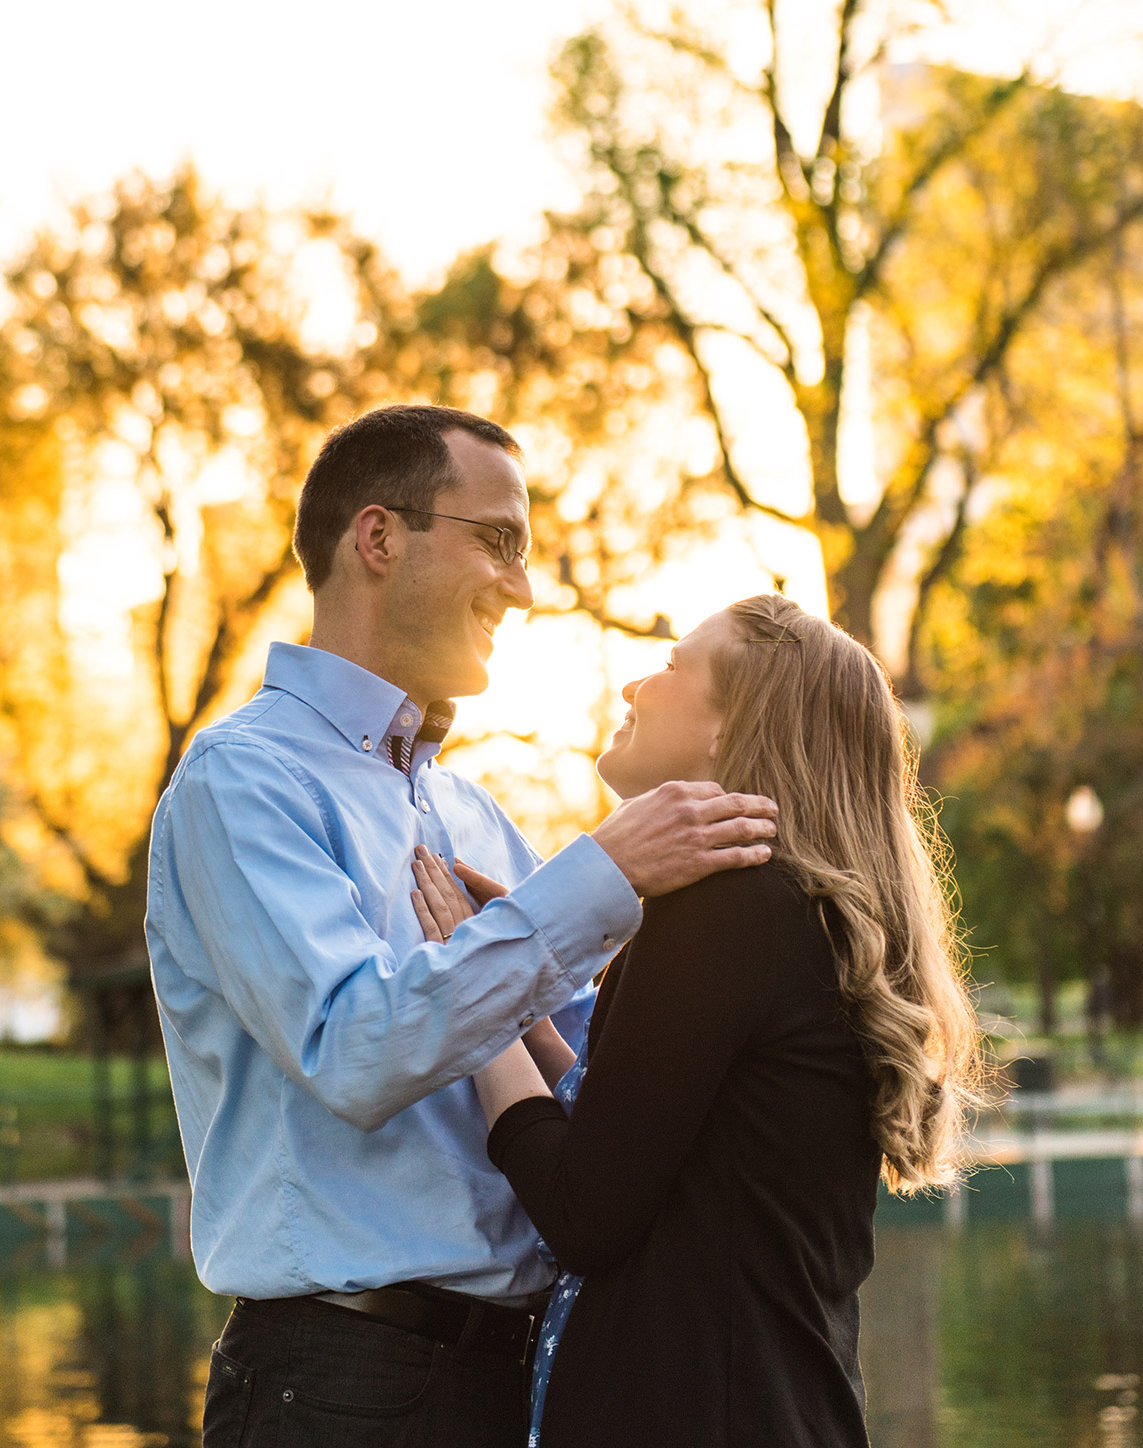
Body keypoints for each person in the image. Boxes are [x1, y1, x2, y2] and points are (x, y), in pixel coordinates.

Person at [145, 405, 778, 1448]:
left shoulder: (471, 810)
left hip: (513, 1376)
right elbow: (351, 1049)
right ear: (379, 536)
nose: (523, 588)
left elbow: (585, 1078)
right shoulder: (242, 779)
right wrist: (601, 874)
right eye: (500, 541)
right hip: (339, 1385)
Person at [412, 591, 983, 1448]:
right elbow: (655, 1133)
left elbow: (583, 1213)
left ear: (731, 727)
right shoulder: (792, 911)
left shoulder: (723, 912)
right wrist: (520, 986)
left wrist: (475, 990)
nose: (633, 686)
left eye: (674, 665)